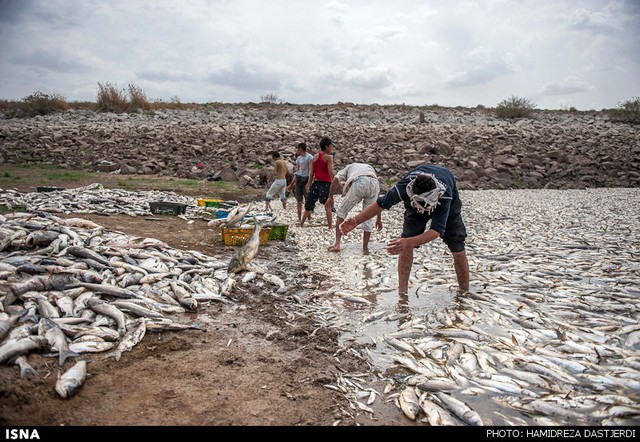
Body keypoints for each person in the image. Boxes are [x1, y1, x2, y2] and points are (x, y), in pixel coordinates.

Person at [339, 164, 469, 294]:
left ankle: (464, 291)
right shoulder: (404, 188)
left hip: (442, 202)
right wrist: (356, 220)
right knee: (405, 244)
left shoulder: (444, 194)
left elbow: (435, 231)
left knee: (457, 246)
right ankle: (402, 292)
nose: (426, 208)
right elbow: (381, 204)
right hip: (414, 206)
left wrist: (410, 242)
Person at [325, 162, 382, 254]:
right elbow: (379, 202)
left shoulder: (348, 168)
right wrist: (379, 219)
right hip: (375, 184)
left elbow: (335, 178)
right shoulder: (368, 168)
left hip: (361, 181)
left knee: (341, 211)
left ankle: (337, 244)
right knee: (368, 216)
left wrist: (330, 196)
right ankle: (365, 248)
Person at [300, 137, 335, 228]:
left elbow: (311, 172)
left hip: (315, 183)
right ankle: (330, 226)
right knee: (327, 205)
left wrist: (309, 183)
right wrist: (337, 182)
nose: (331, 148)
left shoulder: (315, 157)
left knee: (309, 204)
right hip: (325, 183)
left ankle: (302, 223)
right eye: (331, 146)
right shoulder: (329, 157)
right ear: (327, 147)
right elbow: (331, 172)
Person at [286, 142, 313, 222]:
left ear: (300, 148)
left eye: (297, 148)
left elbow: (310, 169)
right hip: (298, 179)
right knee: (299, 200)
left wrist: (309, 182)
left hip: (306, 178)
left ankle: (308, 217)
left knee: (307, 198)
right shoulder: (298, 158)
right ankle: (299, 218)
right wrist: (291, 184)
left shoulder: (309, 157)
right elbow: (297, 171)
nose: (297, 150)